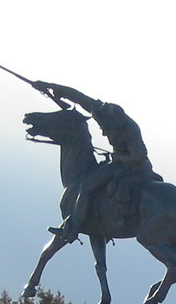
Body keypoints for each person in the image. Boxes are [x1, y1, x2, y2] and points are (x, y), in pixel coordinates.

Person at [32, 81, 158, 241]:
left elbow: (138, 158)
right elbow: (78, 96)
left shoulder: (131, 131)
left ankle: (72, 229)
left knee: (86, 186)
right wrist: (49, 86)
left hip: (132, 167)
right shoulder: (103, 112)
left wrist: (118, 157)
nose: (104, 132)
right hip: (118, 163)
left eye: (108, 129)